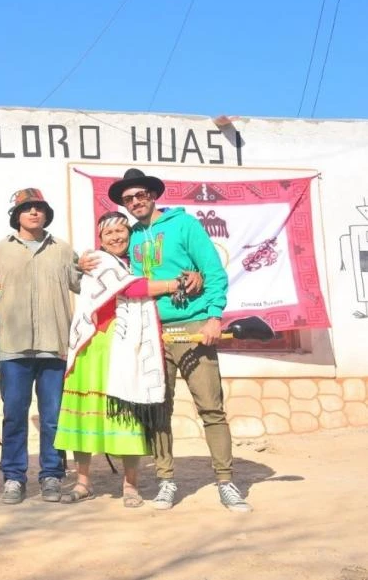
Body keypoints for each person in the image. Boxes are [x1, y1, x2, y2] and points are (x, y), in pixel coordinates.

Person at [106, 168, 252, 513]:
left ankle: (226, 481)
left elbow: (213, 271)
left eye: (140, 195)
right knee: (158, 409)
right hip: (152, 331)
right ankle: (166, 480)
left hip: (194, 326)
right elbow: (112, 261)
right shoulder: (132, 236)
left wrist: (214, 315)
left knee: (211, 408)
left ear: (153, 195)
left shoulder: (184, 225)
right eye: (128, 199)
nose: (135, 202)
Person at [56, 212, 199, 507]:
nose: (116, 237)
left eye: (121, 230)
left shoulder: (135, 264)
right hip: (94, 346)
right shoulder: (98, 261)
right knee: (87, 415)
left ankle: (130, 485)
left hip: (125, 349)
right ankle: (83, 482)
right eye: (109, 233)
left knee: (126, 413)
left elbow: (136, 282)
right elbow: (132, 288)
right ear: (100, 239)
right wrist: (176, 284)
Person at [0, 188, 81, 505]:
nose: (34, 212)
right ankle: (13, 477)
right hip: (14, 350)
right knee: (14, 416)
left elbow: (85, 284)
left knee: (53, 417)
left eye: (39, 207)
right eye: (27, 208)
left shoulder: (63, 251)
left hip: (54, 348)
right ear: (17, 214)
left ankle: (52, 475)